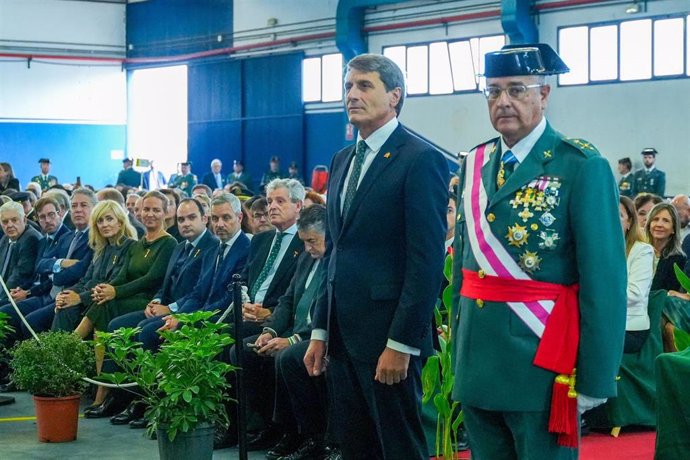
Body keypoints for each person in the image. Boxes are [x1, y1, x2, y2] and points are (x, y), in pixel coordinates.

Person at [450, 44, 626, 457]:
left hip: (542, 364)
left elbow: (604, 281)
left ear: (544, 95)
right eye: (493, 91)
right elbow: (463, 270)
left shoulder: (580, 165)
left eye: (516, 89)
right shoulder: (474, 163)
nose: (503, 101)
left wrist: (595, 377)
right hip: (477, 361)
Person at [303, 53, 448, 459]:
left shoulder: (420, 159)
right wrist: (319, 330)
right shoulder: (342, 160)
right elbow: (334, 254)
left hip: (389, 337)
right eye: (348, 86)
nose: (352, 94)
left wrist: (402, 342)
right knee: (356, 449)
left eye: (364, 86)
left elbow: (426, 263)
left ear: (395, 96)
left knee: (399, 448)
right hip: (343, 338)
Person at [239, 204, 330, 459]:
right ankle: (271, 428)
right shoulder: (305, 258)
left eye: (313, 241)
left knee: (288, 358)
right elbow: (287, 301)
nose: (309, 247)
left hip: (320, 335)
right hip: (296, 329)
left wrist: (292, 339)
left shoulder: (336, 262)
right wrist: (269, 331)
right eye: (304, 242)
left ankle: (310, 437)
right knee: (247, 349)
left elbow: (330, 312)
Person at [76, 191, 176, 418]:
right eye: (146, 209)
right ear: (138, 212)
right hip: (130, 298)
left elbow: (151, 279)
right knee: (104, 306)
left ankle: (105, 389)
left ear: (165, 213)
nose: (149, 214)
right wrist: (108, 289)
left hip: (148, 301)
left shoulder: (169, 243)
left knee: (105, 310)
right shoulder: (136, 244)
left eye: (155, 210)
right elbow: (122, 275)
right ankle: (107, 391)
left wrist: (115, 292)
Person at [51, 200, 137, 332]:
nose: (104, 225)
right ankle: (58, 350)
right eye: (100, 221)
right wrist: (67, 294)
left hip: (109, 300)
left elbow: (115, 283)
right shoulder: (100, 248)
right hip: (91, 297)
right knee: (64, 304)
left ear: (120, 222)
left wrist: (80, 298)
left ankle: (66, 347)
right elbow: (86, 280)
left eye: (109, 219)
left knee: (72, 307)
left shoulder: (130, 246)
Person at [619, 196, 654, 353]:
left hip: (629, 328)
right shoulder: (594, 250)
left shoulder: (641, 250)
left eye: (618, 215)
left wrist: (596, 297)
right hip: (596, 321)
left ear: (629, 222)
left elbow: (635, 294)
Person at [0, 201, 42, 303]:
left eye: (14, 220)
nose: (9, 225)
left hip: (21, 294)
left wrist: (1, 297)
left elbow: (20, 276)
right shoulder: (5, 238)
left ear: (24, 220)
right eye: (5, 222)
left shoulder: (31, 239)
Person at [645, 203, 686, 292]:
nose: (659, 224)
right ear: (649, 225)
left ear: (673, 229)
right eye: (655, 219)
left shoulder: (679, 260)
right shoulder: (638, 252)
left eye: (666, 221)